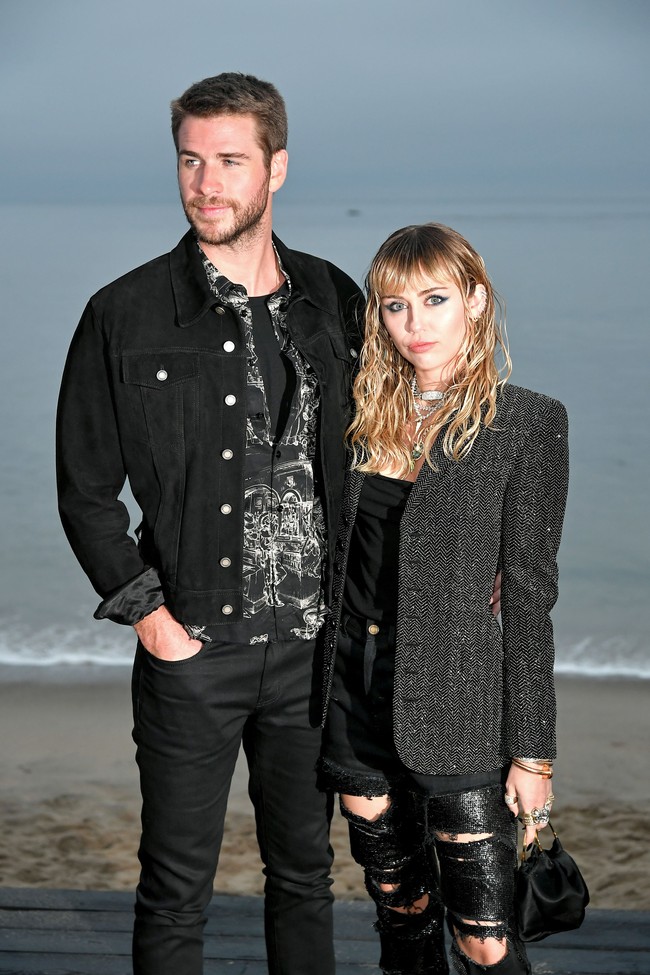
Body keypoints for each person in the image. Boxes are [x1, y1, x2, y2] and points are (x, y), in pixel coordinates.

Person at [56, 72, 364, 975]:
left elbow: (386, 456)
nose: (206, 182)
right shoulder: (124, 313)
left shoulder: (336, 300)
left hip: (314, 654)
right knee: (176, 888)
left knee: (307, 877)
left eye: (230, 160)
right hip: (193, 648)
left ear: (276, 168)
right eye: (191, 160)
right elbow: (84, 489)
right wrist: (153, 621)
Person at [319, 223, 569, 975]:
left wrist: (534, 754)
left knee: (486, 940)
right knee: (402, 917)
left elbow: (529, 597)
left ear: (476, 300)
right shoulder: (358, 415)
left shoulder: (527, 422)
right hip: (352, 699)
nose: (415, 324)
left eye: (434, 299)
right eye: (394, 306)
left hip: (457, 709)